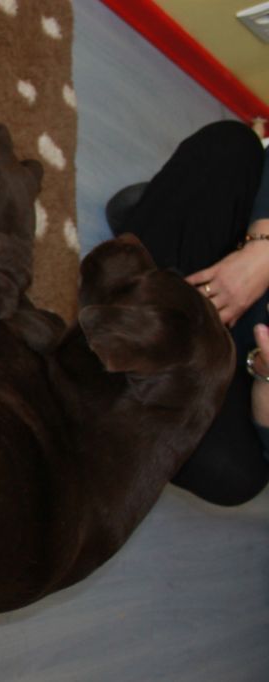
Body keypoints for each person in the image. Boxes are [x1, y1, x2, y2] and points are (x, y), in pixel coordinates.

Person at [105, 120, 269, 506]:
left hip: (240, 371)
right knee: (231, 144)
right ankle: (144, 267)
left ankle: (150, 236)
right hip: (240, 252)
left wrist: (266, 375)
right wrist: (263, 249)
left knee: (231, 475)